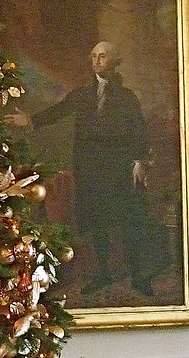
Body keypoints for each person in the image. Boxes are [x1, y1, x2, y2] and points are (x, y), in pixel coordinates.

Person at [12, 41, 153, 297]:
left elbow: (139, 131)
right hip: (90, 168)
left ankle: (139, 276)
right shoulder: (83, 93)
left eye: (103, 57)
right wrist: (31, 120)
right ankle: (103, 273)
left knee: (127, 220)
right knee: (97, 221)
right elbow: (59, 111)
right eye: (94, 57)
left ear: (114, 62)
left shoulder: (127, 97)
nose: (98, 61)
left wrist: (139, 161)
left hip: (119, 168)